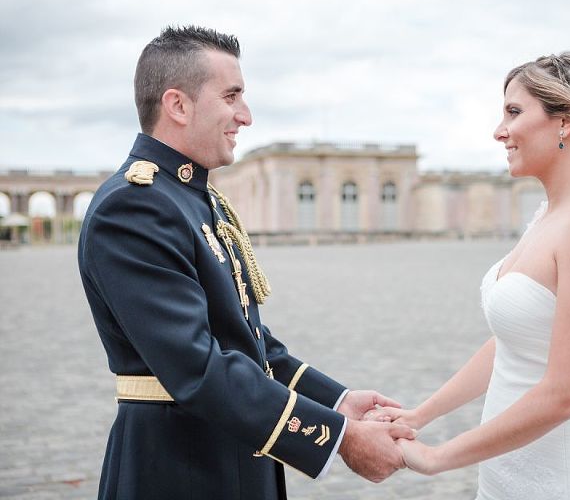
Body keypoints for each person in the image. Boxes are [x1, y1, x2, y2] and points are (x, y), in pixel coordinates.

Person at [77, 25, 414, 500]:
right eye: (232, 96)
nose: (246, 116)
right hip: (177, 469)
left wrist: (337, 402)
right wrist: (338, 438)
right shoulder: (134, 207)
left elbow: (249, 343)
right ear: (178, 105)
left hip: (233, 457)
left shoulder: (197, 200)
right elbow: (198, 366)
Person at [368, 52, 570, 499]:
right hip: (509, 481)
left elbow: (567, 394)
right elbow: (513, 342)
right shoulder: (548, 216)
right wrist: (419, 415)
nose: (499, 131)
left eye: (513, 112)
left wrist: (436, 457)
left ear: (564, 122)